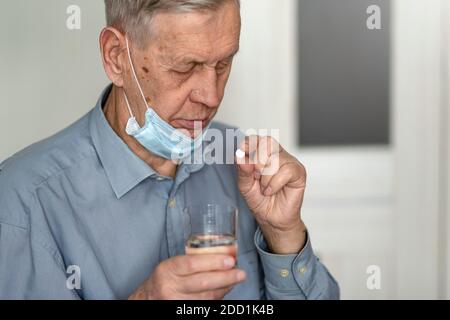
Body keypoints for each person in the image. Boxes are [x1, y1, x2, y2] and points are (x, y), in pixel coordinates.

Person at [0, 0, 339, 300]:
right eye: (184, 67)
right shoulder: (24, 204)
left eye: (223, 65)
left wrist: (283, 235)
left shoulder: (241, 161)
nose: (211, 96)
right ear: (116, 57)